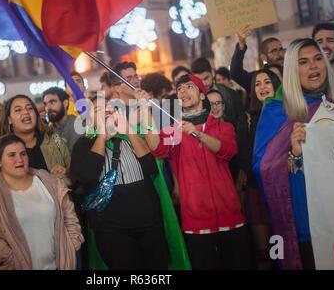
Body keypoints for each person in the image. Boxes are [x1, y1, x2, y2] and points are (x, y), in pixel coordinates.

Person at [253, 38, 334, 270]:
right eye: (304, 62)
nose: (314, 66)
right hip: (310, 220)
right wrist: (294, 153)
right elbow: (263, 167)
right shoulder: (278, 110)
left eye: (318, 59)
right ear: (291, 70)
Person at [142, 74, 251, 270]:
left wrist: (197, 132)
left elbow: (227, 151)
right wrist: (145, 111)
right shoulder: (174, 130)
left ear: (203, 96)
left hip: (230, 216)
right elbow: (156, 148)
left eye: (189, 87)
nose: (183, 91)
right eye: (180, 88)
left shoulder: (223, 126)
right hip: (195, 219)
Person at [70, 96, 189, 270]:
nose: (106, 113)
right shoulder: (83, 144)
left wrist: (128, 131)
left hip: (150, 224)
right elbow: (87, 176)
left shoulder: (132, 136)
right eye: (98, 110)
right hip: (112, 229)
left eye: (110, 109)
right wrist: (102, 137)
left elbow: (151, 168)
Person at [0, 134, 83, 270]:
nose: (19, 159)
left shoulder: (49, 183)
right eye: (11, 155)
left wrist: (72, 243)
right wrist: (6, 256)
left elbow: (69, 216)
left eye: (23, 154)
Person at [0, 95, 70, 181]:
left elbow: (73, 171)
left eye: (30, 108)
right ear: (9, 119)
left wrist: (65, 171)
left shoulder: (54, 139)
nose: (26, 112)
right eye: (18, 110)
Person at [245, 69, 281, 270]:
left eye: (267, 82)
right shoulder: (248, 118)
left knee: (283, 246)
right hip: (256, 188)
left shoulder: (288, 112)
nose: (262, 87)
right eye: (257, 84)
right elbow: (244, 156)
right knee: (263, 250)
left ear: (276, 86)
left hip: (282, 188)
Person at [230, 25, 285, 93]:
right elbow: (235, 74)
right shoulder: (256, 79)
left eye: (281, 49)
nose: (280, 54)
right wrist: (241, 44)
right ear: (263, 58)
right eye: (274, 51)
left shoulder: (292, 72)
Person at [42, 87, 82, 154]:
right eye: (45, 104)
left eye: (52, 102)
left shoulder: (77, 125)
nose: (48, 108)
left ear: (65, 103)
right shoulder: (51, 127)